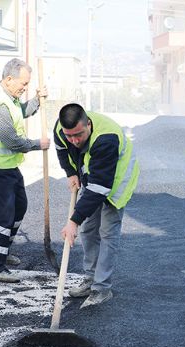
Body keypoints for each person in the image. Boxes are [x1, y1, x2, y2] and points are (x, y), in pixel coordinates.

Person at [54, 103, 139, 308]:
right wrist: (71, 172)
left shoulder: (106, 139)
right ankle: (90, 278)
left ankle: (102, 288)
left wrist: (73, 221)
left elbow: (100, 188)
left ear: (89, 125)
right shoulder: (61, 129)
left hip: (116, 178)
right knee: (89, 230)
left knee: (107, 232)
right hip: (93, 175)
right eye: (69, 136)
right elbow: (62, 149)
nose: (74, 140)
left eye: (79, 135)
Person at [0, 58, 50, 283]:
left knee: (19, 207)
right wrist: (38, 144)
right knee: (2, 216)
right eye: (23, 84)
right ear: (9, 79)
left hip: (7, 166)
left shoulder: (11, 99)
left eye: (27, 85)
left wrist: (37, 100)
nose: (25, 88)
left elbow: (22, 112)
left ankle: (2, 251)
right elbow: (12, 141)